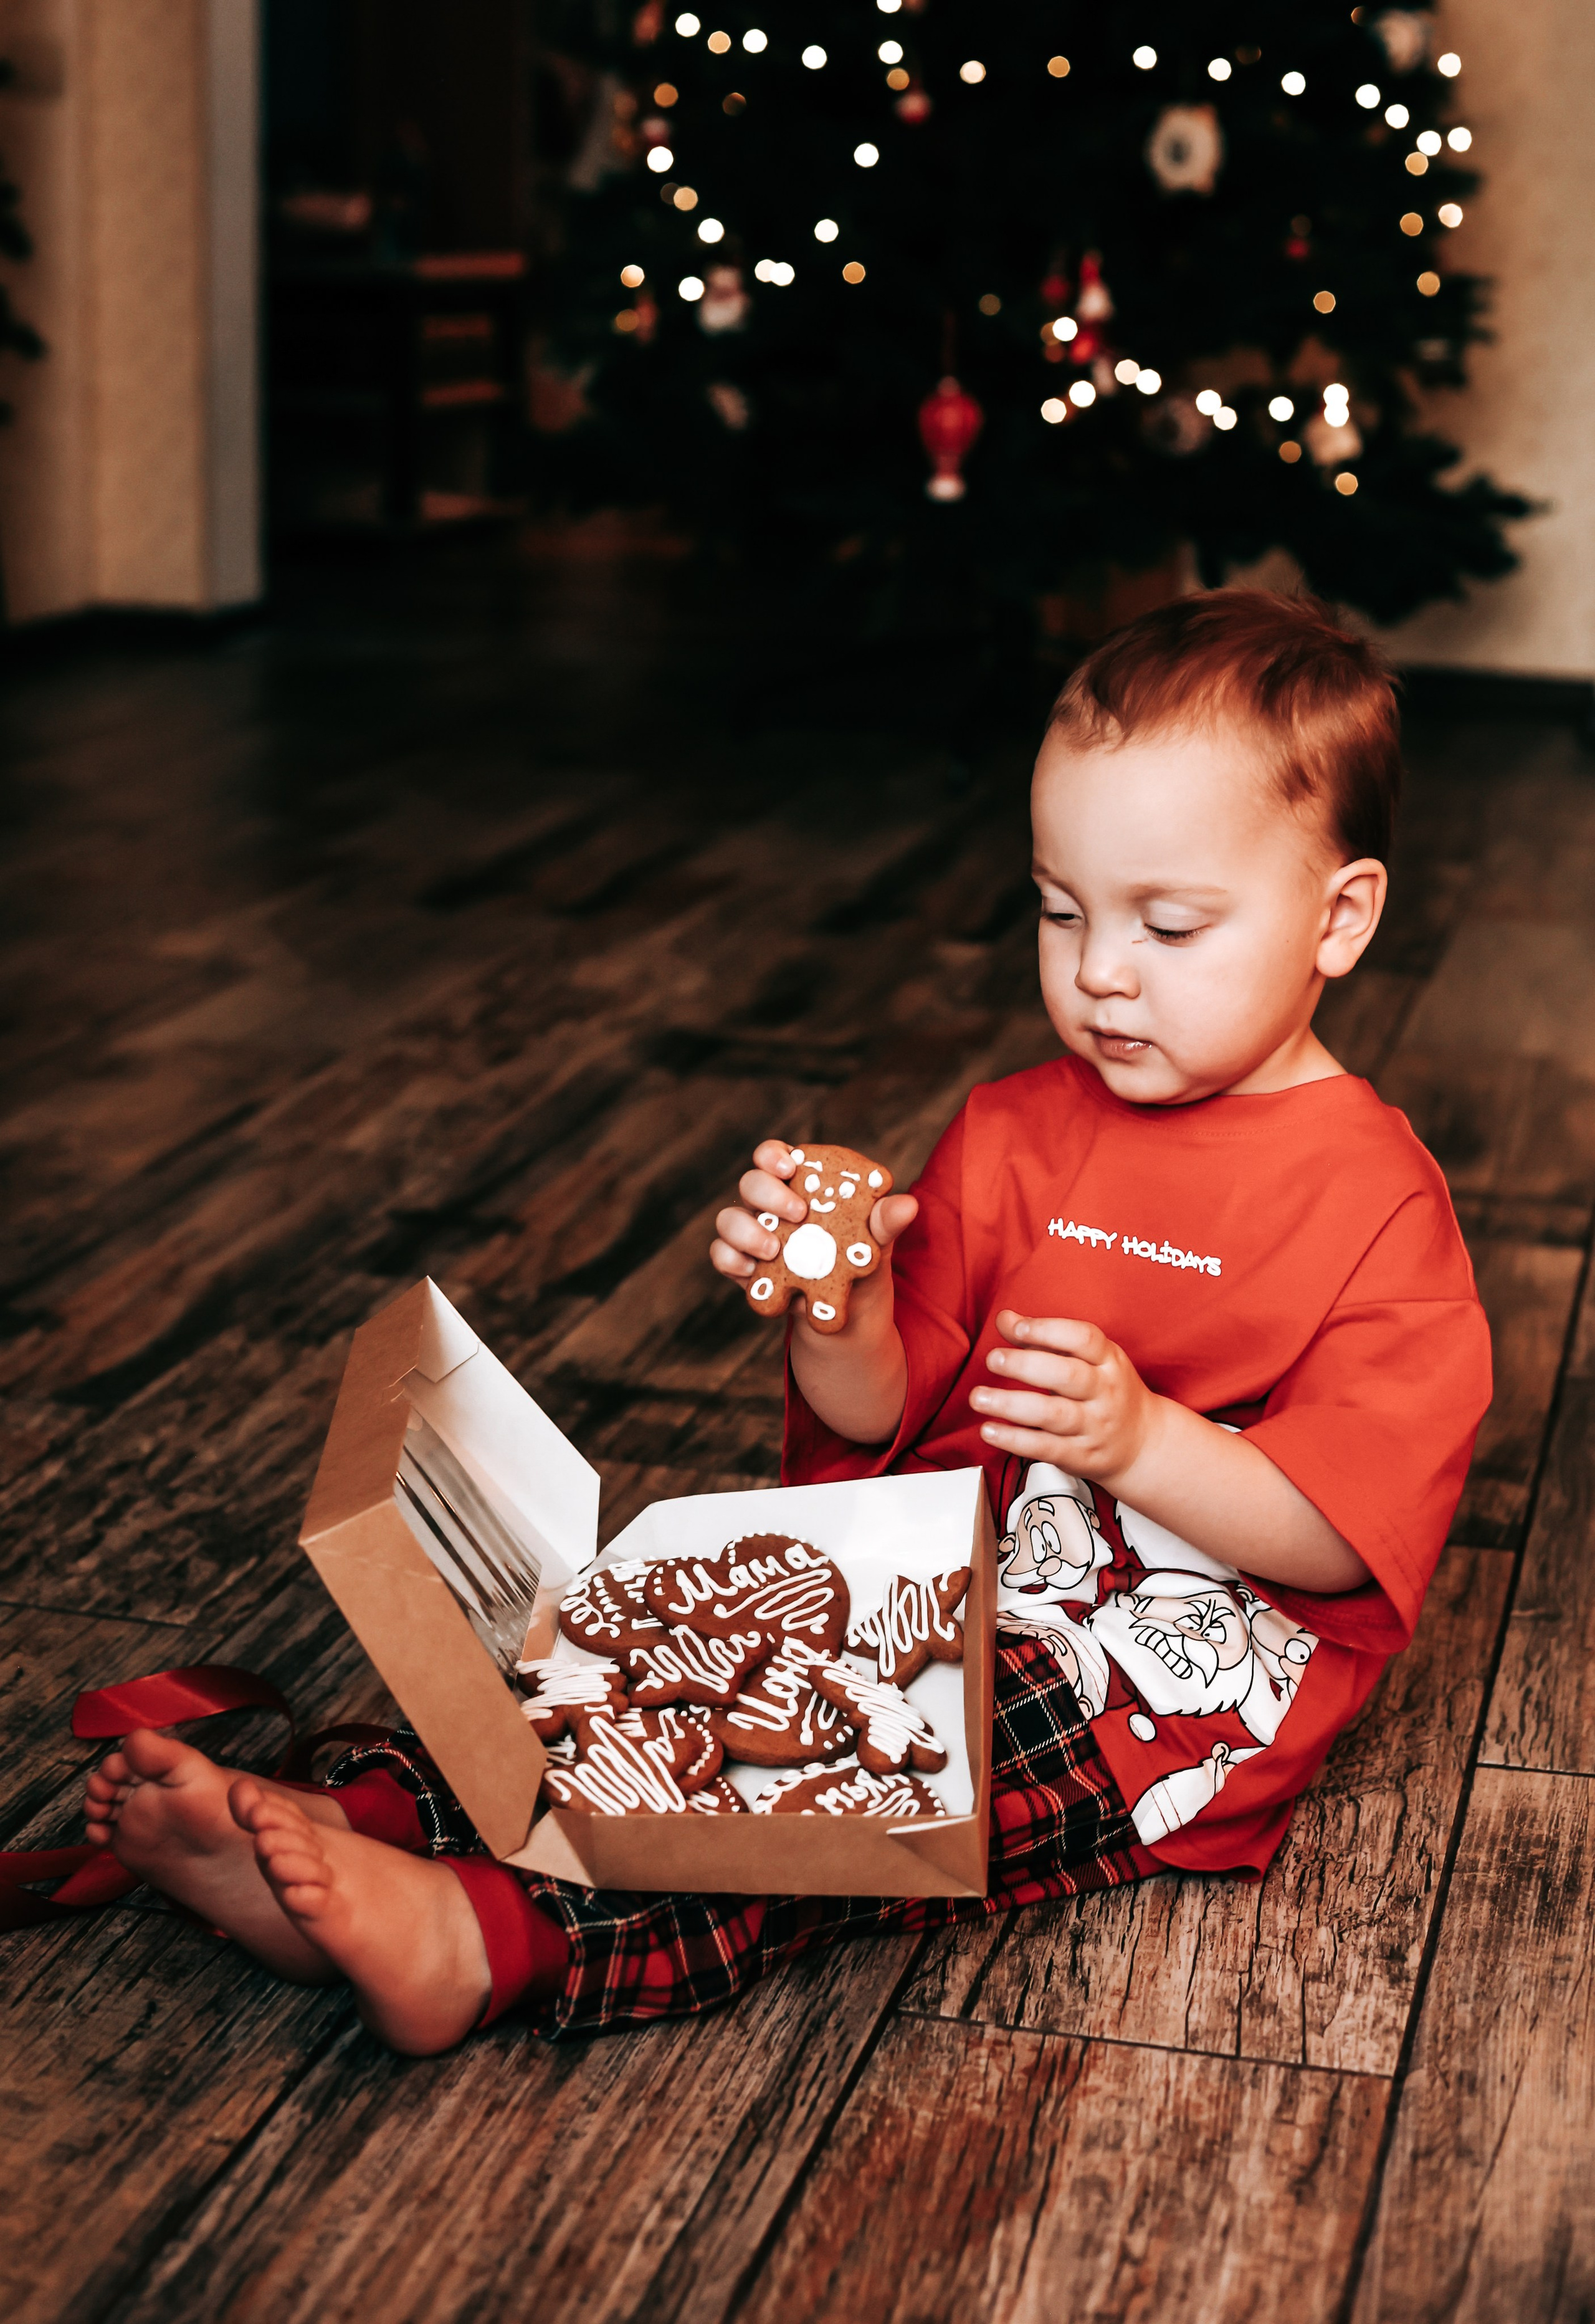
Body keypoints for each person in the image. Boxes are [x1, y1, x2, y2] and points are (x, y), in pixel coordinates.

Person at [83, 590, 1492, 2055]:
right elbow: (878, 1416)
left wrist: (1139, 1440)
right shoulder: (1013, 1127)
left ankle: (487, 1938)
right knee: (669, 1635)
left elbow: (1341, 1535)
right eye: (1058, 909)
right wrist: (841, 1304)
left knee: (814, 1781)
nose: (1099, 970)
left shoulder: (1377, 1206)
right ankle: (362, 1809)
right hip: (920, 1576)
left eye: (1170, 923)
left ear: (1340, 916)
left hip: (1129, 1698)